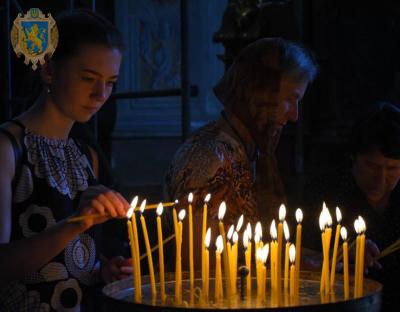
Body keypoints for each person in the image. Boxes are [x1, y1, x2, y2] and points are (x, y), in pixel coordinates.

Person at [0, 10, 132, 311]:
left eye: (111, 82)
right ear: (49, 70)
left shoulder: (85, 156)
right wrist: (74, 224)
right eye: (88, 78)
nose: (101, 94)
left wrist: (104, 270)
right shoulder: (8, 148)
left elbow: (74, 261)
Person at [165, 37, 318, 267]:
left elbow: (260, 247)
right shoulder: (209, 158)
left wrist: (332, 257)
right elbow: (197, 266)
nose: (294, 115)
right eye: (289, 99)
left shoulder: (249, 149)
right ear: (258, 93)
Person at [303, 102, 400, 310]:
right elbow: (298, 258)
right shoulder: (325, 193)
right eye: (372, 166)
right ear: (353, 158)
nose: (380, 180)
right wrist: (340, 252)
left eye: (392, 169)